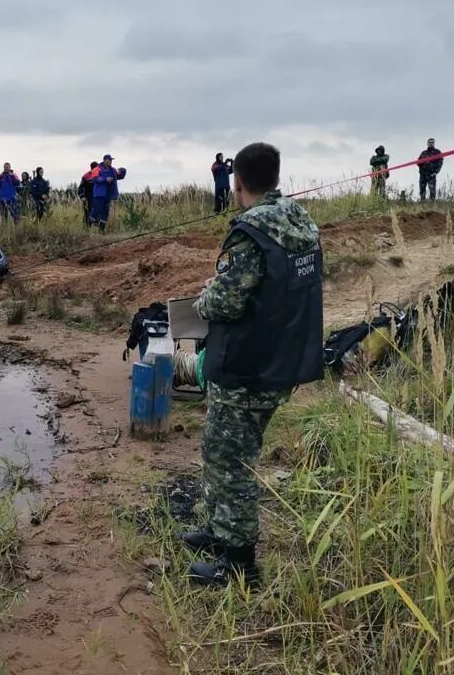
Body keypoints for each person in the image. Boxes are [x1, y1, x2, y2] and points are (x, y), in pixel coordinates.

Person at [185, 142, 324, 588]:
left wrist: (207, 295)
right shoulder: (300, 223)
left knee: (229, 461)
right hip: (281, 358)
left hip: (248, 366)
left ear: (237, 182)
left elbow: (224, 302)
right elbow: (271, 285)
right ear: (276, 177)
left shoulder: (250, 231)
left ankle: (238, 564)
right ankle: (219, 529)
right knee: (226, 452)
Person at [90, 154, 126, 231]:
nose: (111, 161)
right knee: (96, 210)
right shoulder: (97, 169)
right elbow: (95, 179)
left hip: (109, 195)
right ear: (104, 160)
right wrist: (105, 179)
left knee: (105, 213)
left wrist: (123, 170)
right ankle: (88, 227)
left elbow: (120, 176)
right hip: (99, 194)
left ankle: (101, 231)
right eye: (109, 160)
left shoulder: (113, 170)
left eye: (111, 160)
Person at [417, 138, 443, 202]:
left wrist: (436, 172)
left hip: (431, 174)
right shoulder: (423, 153)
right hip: (423, 174)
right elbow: (418, 162)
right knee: (422, 190)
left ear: (434, 143)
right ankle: (422, 203)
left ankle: (431, 205)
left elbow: (440, 163)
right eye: (430, 142)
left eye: (432, 142)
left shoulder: (437, 152)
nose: (431, 143)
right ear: (427, 143)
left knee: (432, 190)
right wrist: (422, 164)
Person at [78, 161, 98, 226]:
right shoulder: (86, 176)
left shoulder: (99, 176)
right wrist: (82, 197)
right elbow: (80, 188)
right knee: (88, 215)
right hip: (88, 199)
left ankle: (97, 232)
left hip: (97, 199)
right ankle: (87, 230)